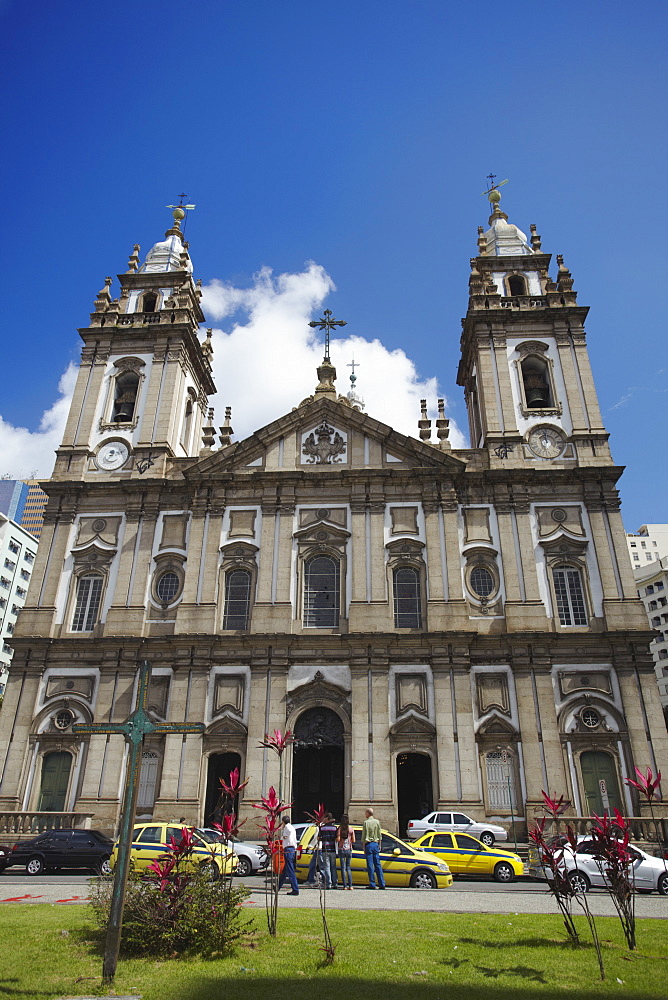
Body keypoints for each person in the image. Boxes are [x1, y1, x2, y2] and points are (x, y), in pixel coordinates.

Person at [362, 807, 385, 889]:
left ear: (368, 813)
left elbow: (364, 836)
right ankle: (382, 883)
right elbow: (379, 835)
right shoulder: (377, 822)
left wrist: (363, 847)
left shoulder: (366, 823)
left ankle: (372, 883)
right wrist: (379, 845)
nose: (365, 814)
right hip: (375, 844)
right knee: (378, 864)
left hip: (368, 844)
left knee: (370, 865)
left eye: (366, 813)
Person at [277, 814, 299, 895]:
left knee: (290, 870)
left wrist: (282, 835)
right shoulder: (292, 827)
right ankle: (278, 887)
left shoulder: (287, 828)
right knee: (285, 871)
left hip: (288, 849)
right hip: (292, 849)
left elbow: (285, 836)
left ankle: (295, 889)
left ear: (283, 822)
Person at [319, 813, 339, 888]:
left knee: (327, 866)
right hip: (333, 849)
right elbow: (337, 838)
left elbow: (318, 838)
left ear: (327, 818)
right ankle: (335, 883)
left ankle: (328, 883)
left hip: (325, 849)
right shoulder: (335, 828)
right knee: (333, 866)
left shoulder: (322, 828)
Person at [337, 813, 355, 890]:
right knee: (348, 867)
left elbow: (338, 839)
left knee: (343, 868)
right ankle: (350, 885)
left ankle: (344, 886)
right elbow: (353, 840)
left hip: (341, 849)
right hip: (349, 849)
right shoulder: (351, 829)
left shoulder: (340, 829)